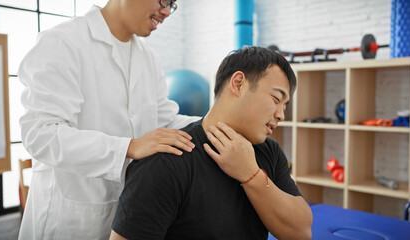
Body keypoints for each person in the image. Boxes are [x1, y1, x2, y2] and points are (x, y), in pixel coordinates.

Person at [18, 0, 199, 239]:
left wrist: (222, 123)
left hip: (126, 220)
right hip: (67, 221)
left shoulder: (149, 58)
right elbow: (42, 134)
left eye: (173, 4)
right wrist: (129, 147)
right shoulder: (63, 42)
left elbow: (164, 121)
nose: (166, 11)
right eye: (164, 0)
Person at [110, 46, 313, 240]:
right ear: (238, 83)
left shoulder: (270, 151)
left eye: (285, 105)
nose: (281, 115)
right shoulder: (165, 162)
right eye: (276, 99)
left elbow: (301, 232)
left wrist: (251, 175)